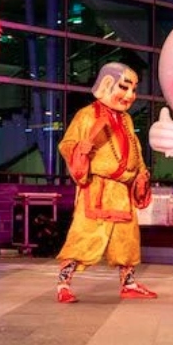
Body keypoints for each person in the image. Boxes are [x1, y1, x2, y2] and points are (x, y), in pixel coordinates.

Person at [56, 62, 156, 303]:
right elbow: (67, 145)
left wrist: (141, 172)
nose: (130, 95)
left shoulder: (127, 120)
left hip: (122, 189)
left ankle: (129, 282)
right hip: (97, 187)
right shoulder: (87, 115)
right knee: (84, 236)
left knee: (127, 239)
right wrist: (83, 150)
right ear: (107, 84)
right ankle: (63, 284)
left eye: (133, 89)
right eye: (124, 87)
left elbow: (135, 148)